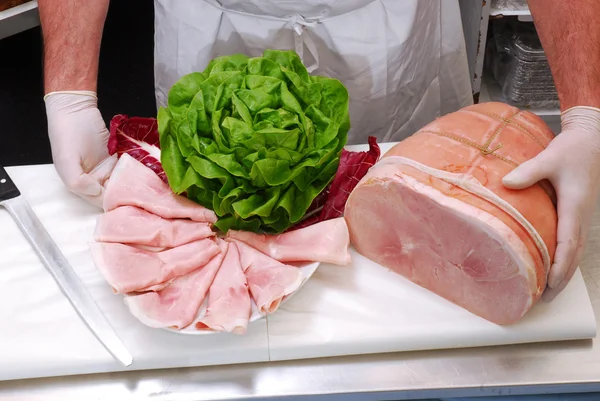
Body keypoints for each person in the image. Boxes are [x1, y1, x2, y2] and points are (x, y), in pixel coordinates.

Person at [37, 1, 600, 399]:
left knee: (414, 236)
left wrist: (587, 110)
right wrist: (68, 89)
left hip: (393, 31)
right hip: (214, 23)